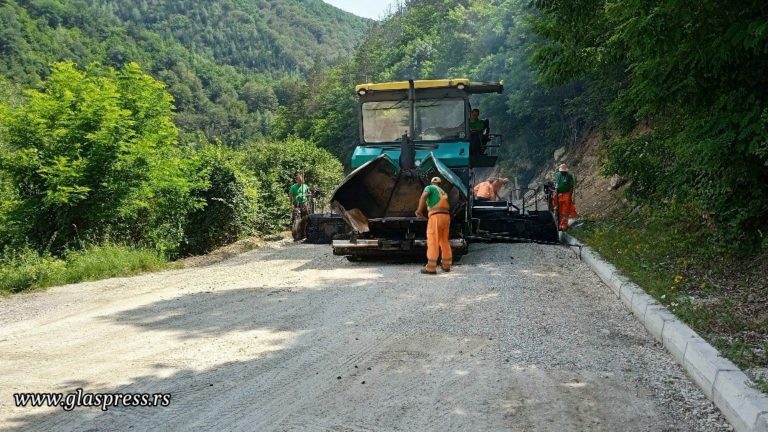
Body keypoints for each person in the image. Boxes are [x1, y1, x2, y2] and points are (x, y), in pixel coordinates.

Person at [415, 177, 452, 274]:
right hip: (446, 217)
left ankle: (431, 268)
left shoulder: (429, 187)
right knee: (444, 241)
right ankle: (446, 265)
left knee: (433, 240)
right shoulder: (443, 192)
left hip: (436, 217)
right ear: (440, 184)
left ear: (431, 183)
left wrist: (419, 210)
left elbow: (424, 196)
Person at [552, 163, 577, 230]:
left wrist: (570, 196)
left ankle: (563, 225)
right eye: (561, 172)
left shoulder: (569, 175)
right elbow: (556, 186)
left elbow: (571, 187)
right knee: (558, 209)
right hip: (558, 193)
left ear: (566, 171)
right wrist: (556, 194)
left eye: (564, 172)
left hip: (566, 193)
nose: (563, 173)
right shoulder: (557, 175)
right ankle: (558, 223)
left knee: (565, 210)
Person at [289, 174, 310, 240]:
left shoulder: (305, 186)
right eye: (299, 181)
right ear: (296, 180)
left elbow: (308, 193)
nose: (301, 182)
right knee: (296, 217)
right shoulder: (293, 187)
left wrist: (308, 195)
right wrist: (291, 203)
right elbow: (290, 195)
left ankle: (304, 233)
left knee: (305, 218)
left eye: (301, 181)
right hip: (296, 203)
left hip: (304, 203)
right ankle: (296, 232)